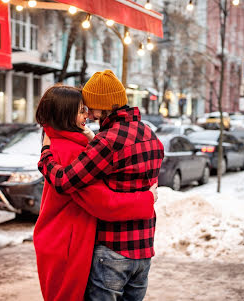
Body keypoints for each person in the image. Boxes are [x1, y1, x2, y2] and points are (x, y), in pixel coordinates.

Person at [38, 70, 164, 300]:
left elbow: (64, 181)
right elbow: (137, 171)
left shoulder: (107, 141)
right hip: (144, 250)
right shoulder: (148, 133)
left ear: (103, 105)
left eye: (89, 107)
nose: (89, 113)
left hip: (113, 249)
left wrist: (45, 155)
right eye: (82, 109)